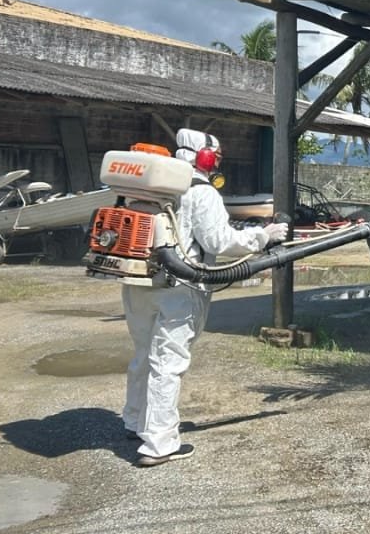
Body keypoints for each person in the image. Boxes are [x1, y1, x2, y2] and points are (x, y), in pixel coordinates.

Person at [121, 128, 287, 467]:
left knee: (143, 355)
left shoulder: (151, 185)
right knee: (168, 361)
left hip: (138, 281)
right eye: (217, 157)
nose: (217, 163)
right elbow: (219, 243)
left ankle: (135, 421)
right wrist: (263, 236)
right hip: (179, 287)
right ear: (206, 157)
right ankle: (159, 444)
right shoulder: (200, 190)